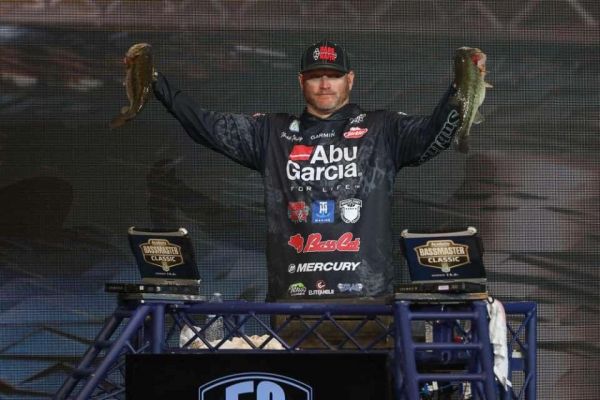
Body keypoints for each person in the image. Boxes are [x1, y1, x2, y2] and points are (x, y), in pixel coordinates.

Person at [152, 39, 472, 304]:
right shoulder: (271, 133)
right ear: (301, 81)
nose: (324, 84)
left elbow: (434, 134)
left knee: (369, 381)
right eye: (315, 76)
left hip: (370, 301)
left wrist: (462, 86)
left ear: (350, 79)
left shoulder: (382, 128)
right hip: (292, 300)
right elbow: (205, 124)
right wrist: (154, 81)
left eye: (332, 76)